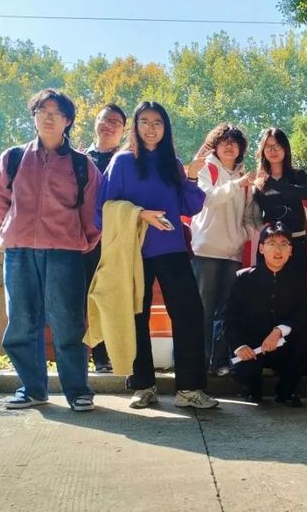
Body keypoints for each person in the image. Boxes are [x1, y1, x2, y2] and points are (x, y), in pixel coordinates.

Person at [96, 101, 218, 409]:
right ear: (135, 126)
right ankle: (143, 386)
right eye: (145, 121)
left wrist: (192, 177)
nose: (151, 128)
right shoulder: (122, 162)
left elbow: (190, 207)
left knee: (189, 314)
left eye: (158, 122)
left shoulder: (172, 164)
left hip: (172, 249)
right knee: (136, 316)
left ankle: (189, 390)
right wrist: (140, 215)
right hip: (134, 251)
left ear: (166, 128)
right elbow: (104, 209)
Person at [0, 88, 100, 411]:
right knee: (22, 322)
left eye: (57, 113)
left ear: (68, 121)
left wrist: (81, 242)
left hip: (65, 252)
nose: (49, 118)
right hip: (19, 252)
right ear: (34, 116)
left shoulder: (82, 165)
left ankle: (78, 390)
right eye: (43, 111)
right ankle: (32, 388)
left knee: (68, 323)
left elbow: (92, 213)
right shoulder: (13, 158)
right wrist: (10, 234)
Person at [224, 222, 307, 407]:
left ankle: (285, 391)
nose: (278, 250)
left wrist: (279, 331)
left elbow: (303, 314)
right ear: (261, 248)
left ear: (290, 251)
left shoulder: (296, 279)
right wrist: (239, 346)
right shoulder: (244, 278)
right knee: (250, 383)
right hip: (252, 347)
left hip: (282, 345)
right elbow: (229, 317)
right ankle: (251, 388)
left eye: (284, 244)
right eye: (271, 243)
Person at [191, 123, 256, 376]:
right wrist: (238, 184)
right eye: (224, 141)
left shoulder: (245, 179)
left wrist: (245, 234)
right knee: (203, 310)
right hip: (206, 250)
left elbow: (249, 215)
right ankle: (198, 363)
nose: (229, 146)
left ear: (241, 149)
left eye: (234, 142)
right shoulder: (206, 168)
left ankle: (219, 362)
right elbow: (208, 199)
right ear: (215, 146)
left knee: (226, 311)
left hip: (232, 252)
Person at [82, 103, 126, 373]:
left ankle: (110, 355)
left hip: (117, 240)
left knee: (113, 299)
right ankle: (89, 356)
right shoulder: (78, 158)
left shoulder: (128, 160)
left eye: (116, 122)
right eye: (104, 119)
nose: (108, 125)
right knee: (83, 298)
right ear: (95, 122)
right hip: (82, 240)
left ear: (124, 131)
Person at [252, 128, 307, 272]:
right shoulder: (259, 182)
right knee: (267, 284)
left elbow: (306, 193)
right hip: (269, 246)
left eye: (277, 146)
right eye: (268, 147)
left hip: (296, 243)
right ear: (263, 151)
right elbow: (255, 215)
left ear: (285, 148)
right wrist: (264, 233)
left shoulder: (298, 175)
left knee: (296, 284)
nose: (273, 151)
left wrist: (271, 182)